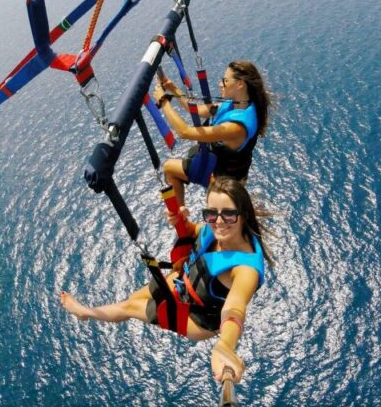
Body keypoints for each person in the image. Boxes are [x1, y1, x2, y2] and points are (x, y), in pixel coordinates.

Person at [60, 177, 273, 383]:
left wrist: (225, 346)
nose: (218, 222)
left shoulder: (246, 270)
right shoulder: (215, 227)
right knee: (131, 300)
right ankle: (97, 312)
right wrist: (180, 221)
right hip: (183, 284)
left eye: (228, 215)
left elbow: (234, 309)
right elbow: (193, 231)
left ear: (243, 215)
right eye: (211, 213)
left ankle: (85, 313)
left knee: (131, 307)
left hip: (199, 319)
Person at [153, 60, 271, 207]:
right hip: (222, 168)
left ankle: (181, 220)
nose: (220, 84)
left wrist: (163, 101)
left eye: (225, 81)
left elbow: (184, 132)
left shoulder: (237, 128)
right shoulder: (239, 104)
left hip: (223, 183)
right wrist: (173, 88)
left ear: (240, 84)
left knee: (169, 168)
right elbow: (197, 109)